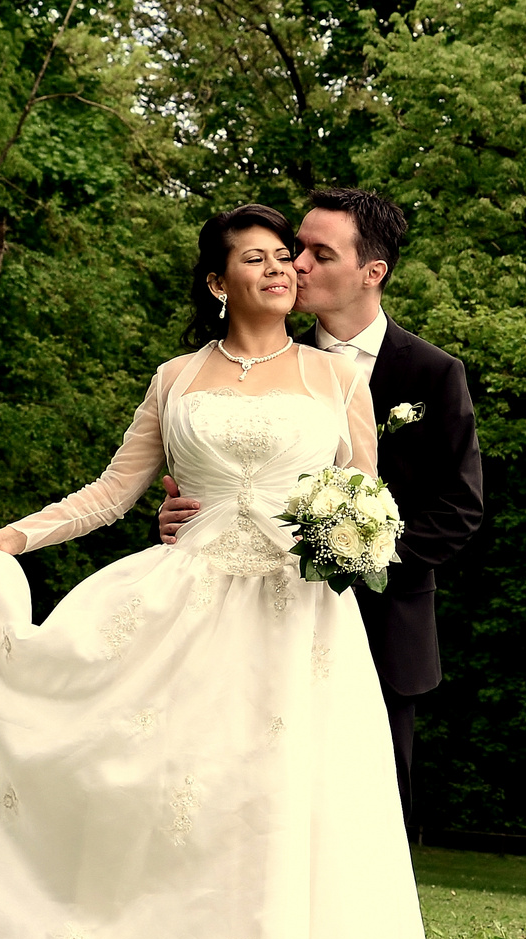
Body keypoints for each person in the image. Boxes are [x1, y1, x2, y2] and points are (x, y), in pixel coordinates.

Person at [0, 204, 457, 939]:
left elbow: (365, 504)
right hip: (183, 610)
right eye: (258, 259)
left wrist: (344, 540)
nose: (280, 271)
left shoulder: (338, 380)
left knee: (278, 805)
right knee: (174, 803)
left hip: (296, 620)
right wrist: (14, 537)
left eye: (285, 259)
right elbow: (109, 492)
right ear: (215, 280)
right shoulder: (175, 377)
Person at [160, 189, 484, 826]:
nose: (297, 264)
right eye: (295, 249)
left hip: (385, 625)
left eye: (318, 252)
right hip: (259, 618)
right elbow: (229, 477)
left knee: (369, 820)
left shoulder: (433, 373)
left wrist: (357, 553)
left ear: (372, 272)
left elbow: (461, 507)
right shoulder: (266, 362)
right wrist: (190, 519)